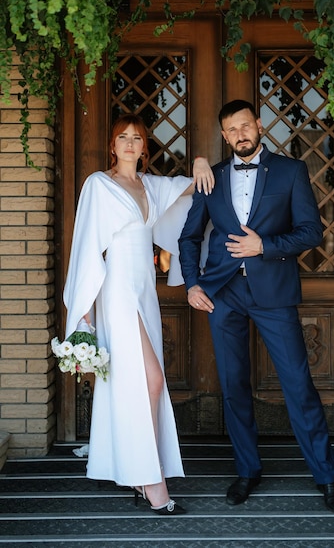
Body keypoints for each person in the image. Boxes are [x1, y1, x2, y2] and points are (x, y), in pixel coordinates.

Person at [178, 99, 334, 514]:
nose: (239, 134)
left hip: (274, 294)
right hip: (223, 294)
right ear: (223, 136)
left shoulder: (291, 171)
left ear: (258, 124)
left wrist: (264, 246)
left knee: (298, 385)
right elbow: (189, 237)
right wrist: (192, 284)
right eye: (230, 130)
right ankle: (247, 470)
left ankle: (326, 477)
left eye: (244, 125)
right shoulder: (212, 177)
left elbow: (310, 232)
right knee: (234, 388)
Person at [63, 113, 214, 516]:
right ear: (112, 146)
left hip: (144, 291)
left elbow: (193, 189)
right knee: (149, 380)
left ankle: (138, 467)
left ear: (144, 147)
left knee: (141, 383)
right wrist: (84, 317)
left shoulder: (151, 185)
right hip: (115, 293)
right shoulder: (99, 185)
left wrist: (200, 160)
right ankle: (151, 480)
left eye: (136, 138)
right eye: (122, 138)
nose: (129, 144)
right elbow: (86, 249)